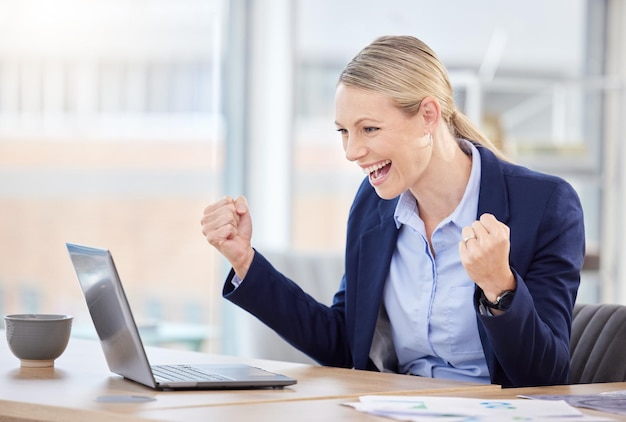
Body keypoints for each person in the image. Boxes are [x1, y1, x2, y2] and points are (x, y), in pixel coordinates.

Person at [200, 35, 585, 388]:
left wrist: (500, 288)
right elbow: (345, 341)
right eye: (343, 132)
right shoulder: (374, 204)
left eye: (368, 129)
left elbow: (546, 377)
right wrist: (245, 262)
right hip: (395, 408)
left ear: (428, 116)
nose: (351, 152)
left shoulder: (546, 206)